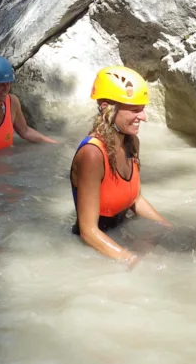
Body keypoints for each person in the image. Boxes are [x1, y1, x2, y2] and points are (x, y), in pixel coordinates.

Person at [71, 66, 171, 264]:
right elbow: (88, 231)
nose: (143, 117)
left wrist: (166, 227)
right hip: (94, 246)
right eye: (135, 110)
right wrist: (130, 259)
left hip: (119, 233)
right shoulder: (92, 154)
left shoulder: (132, 142)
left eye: (142, 109)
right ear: (106, 107)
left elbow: (136, 199)